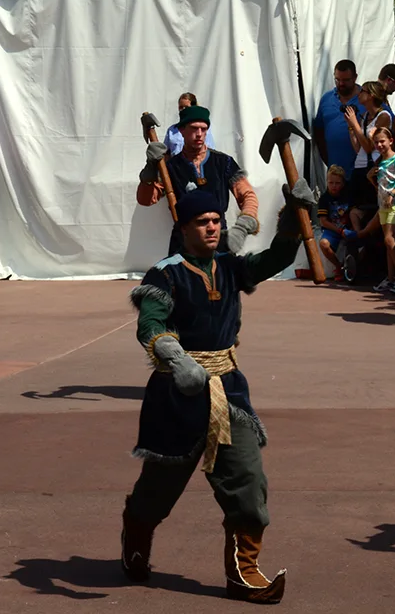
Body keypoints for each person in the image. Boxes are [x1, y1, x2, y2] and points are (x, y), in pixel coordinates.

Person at [120, 182, 312, 604]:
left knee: (248, 481)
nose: (211, 228)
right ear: (184, 227)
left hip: (229, 391)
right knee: (158, 490)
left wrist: (292, 219)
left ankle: (243, 573)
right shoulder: (165, 272)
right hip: (177, 395)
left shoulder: (229, 265)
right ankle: (135, 533)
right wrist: (173, 354)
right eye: (202, 222)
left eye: (216, 221)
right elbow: (150, 322)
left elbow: (275, 259)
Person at [137, 106, 258, 255]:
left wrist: (243, 226)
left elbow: (247, 195)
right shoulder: (170, 167)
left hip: (217, 238)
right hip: (184, 241)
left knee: (219, 277)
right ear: (181, 130)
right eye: (194, 128)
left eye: (204, 129)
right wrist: (150, 168)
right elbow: (146, 200)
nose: (200, 134)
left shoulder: (223, 162)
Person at [368, 128, 395, 293]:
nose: (379, 145)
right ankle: (391, 278)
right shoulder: (380, 162)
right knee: (388, 243)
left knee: (389, 239)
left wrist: (393, 193)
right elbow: (380, 185)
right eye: (376, 142)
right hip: (383, 205)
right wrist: (369, 177)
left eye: (382, 141)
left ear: (391, 141)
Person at [343, 81, 390, 228]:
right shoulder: (365, 117)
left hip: (373, 166)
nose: (358, 94)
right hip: (360, 166)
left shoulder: (383, 116)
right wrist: (352, 127)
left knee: (371, 208)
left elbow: (370, 147)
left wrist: (355, 124)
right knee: (356, 207)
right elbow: (359, 148)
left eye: (362, 91)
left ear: (371, 95)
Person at [312, 60, 364, 172]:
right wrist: (328, 161)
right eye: (337, 79)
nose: (341, 84)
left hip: (362, 173)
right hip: (335, 175)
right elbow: (319, 131)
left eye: (346, 80)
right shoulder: (327, 99)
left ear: (355, 77)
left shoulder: (367, 98)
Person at [317, 165, 351, 281]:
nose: (334, 186)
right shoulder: (324, 199)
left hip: (349, 228)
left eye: (337, 183)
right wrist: (339, 231)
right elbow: (323, 221)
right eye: (331, 183)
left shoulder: (348, 195)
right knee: (323, 243)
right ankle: (338, 266)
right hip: (332, 230)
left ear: (343, 183)